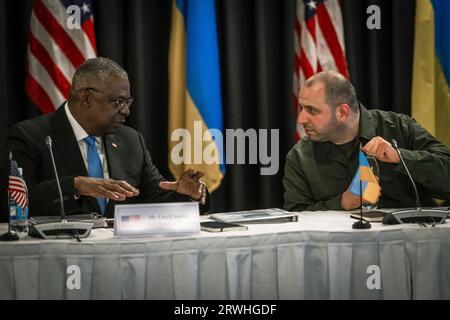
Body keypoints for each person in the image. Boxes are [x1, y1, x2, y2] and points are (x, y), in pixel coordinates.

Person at [6, 57, 209, 218]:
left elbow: (152, 196)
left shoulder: (131, 140)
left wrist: (185, 194)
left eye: (128, 101)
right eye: (119, 101)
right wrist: (75, 185)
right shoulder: (31, 136)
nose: (127, 111)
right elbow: (12, 201)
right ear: (86, 98)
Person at [283, 71, 450, 212]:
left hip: (416, 244)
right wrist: (341, 203)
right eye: (301, 108)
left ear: (342, 112)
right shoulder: (299, 157)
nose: (301, 119)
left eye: (311, 110)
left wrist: (400, 156)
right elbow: (296, 219)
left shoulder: (399, 128)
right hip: (343, 249)